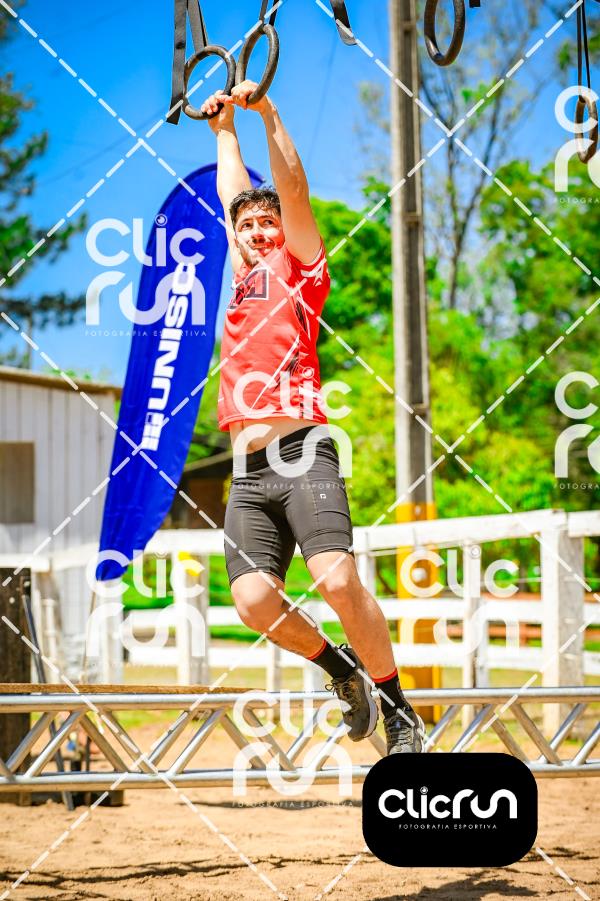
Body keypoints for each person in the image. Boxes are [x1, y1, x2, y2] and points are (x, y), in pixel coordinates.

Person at [200, 81, 423, 754]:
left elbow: (289, 192)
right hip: (248, 472)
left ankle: (398, 708)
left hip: (301, 453)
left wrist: (266, 113)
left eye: (266, 224)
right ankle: (340, 669)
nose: (257, 230)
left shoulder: (300, 268)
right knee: (253, 604)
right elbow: (233, 195)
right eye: (247, 226)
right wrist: (223, 131)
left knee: (337, 578)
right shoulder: (240, 275)